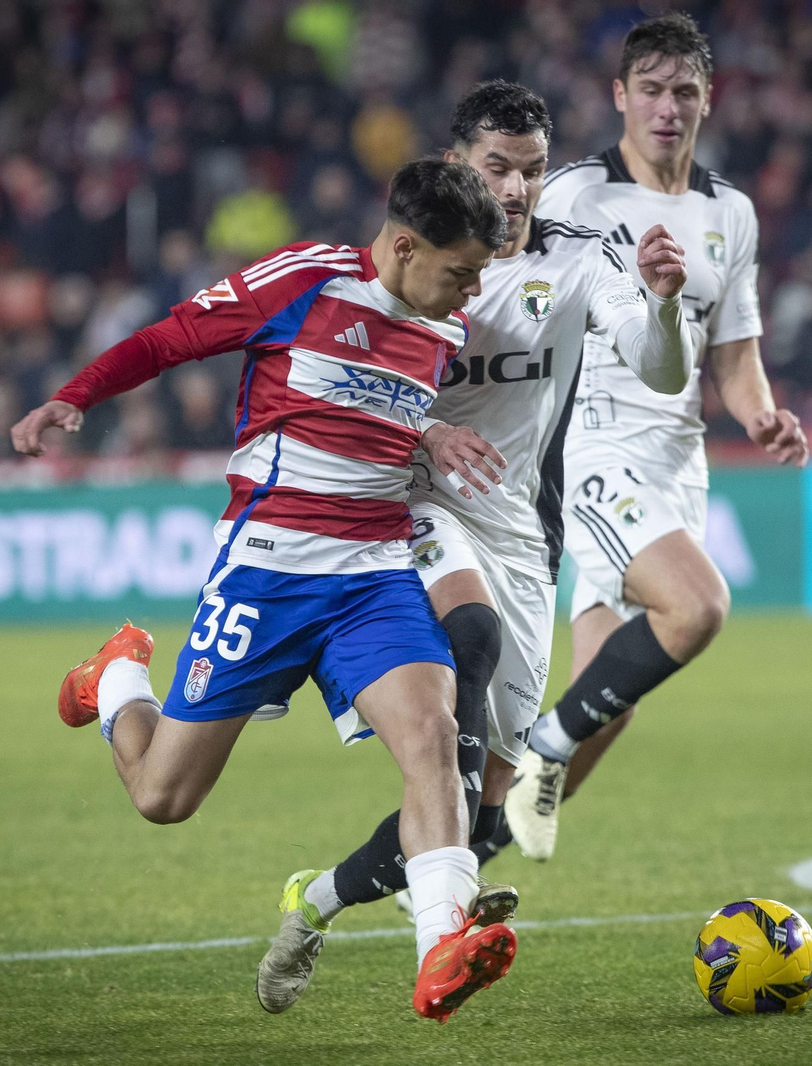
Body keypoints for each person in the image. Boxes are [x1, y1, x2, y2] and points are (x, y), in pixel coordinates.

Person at [10, 160, 517, 1023]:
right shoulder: (304, 280)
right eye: (463, 269)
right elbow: (169, 339)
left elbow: (380, 406)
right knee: (164, 799)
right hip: (270, 571)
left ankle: (441, 948)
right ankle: (118, 679)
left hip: (373, 573)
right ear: (403, 245)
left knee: (433, 735)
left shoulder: (443, 323)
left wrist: (429, 428)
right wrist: (74, 396)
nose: (474, 287)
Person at [255, 80, 697, 1011]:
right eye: (497, 167)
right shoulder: (413, 258)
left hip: (519, 529)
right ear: (458, 164)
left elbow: (660, 369)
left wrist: (660, 303)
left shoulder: (583, 261)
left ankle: (316, 901)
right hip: (406, 500)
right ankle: (446, 937)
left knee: (489, 811)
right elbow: (342, 374)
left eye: (532, 171)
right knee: (471, 641)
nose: (516, 189)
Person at [500, 13, 809, 863]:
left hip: (679, 460)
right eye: (651, 89)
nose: (666, 106)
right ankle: (544, 748)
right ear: (620, 96)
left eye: (683, 91)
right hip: (590, 444)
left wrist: (760, 415)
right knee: (698, 603)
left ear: (709, 98)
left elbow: (734, 355)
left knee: (613, 698)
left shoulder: (731, 214)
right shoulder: (571, 194)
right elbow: (509, 295)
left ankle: (453, 869)